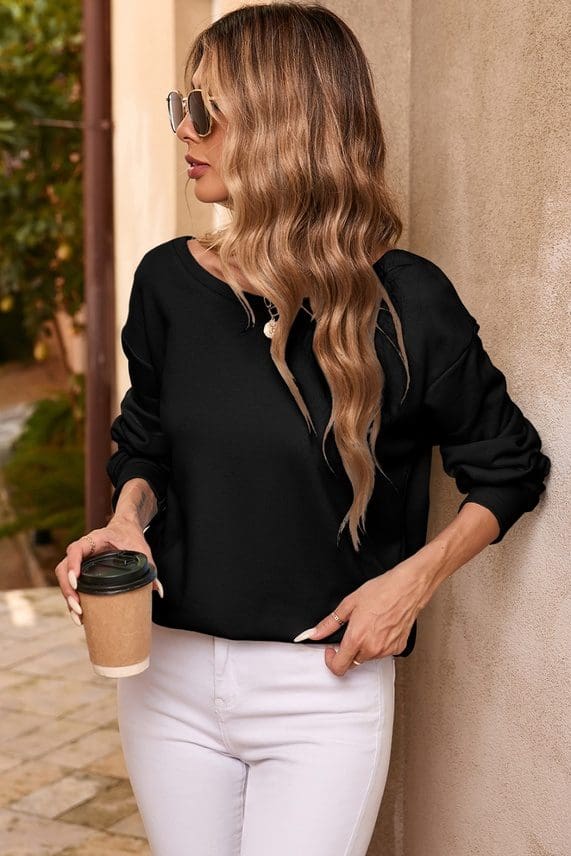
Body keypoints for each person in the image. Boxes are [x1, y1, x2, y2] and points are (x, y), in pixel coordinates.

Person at [54, 3, 551, 854]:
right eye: (183, 104)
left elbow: (508, 465)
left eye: (207, 109)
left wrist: (410, 584)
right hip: (165, 674)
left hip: (321, 688)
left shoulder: (408, 301)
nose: (185, 128)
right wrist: (124, 522)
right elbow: (146, 441)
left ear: (286, 122)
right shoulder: (169, 282)